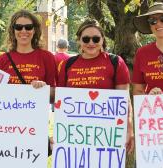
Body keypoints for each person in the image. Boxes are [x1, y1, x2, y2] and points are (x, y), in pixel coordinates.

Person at [0, 9, 56, 168]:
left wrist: (44, 88)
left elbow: (55, 94)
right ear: (12, 30)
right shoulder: (4, 59)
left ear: (35, 30)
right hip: (3, 128)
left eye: (28, 27)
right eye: (19, 27)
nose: (24, 31)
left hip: (32, 128)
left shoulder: (46, 57)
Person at [56, 19, 134, 153]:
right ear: (79, 40)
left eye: (96, 39)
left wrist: (129, 129)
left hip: (107, 135)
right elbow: (60, 102)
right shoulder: (67, 64)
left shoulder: (116, 62)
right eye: (86, 39)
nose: (91, 43)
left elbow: (125, 101)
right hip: (75, 134)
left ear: (102, 40)